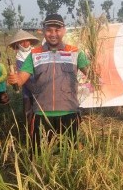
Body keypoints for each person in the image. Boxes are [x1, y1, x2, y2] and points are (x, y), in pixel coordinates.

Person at [7, 14, 90, 150]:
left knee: (71, 153)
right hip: (41, 114)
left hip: (69, 112)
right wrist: (15, 79)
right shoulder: (34, 54)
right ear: (43, 31)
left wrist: (96, 68)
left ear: (63, 30)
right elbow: (21, 79)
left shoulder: (75, 52)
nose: (53, 34)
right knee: (38, 153)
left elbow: (92, 74)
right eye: (49, 30)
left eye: (57, 30)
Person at [7, 29, 40, 132]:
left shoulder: (37, 53)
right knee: (29, 115)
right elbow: (24, 78)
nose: (25, 44)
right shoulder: (19, 58)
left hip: (41, 89)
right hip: (29, 91)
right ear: (18, 44)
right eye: (22, 42)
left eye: (27, 41)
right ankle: (31, 137)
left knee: (41, 114)